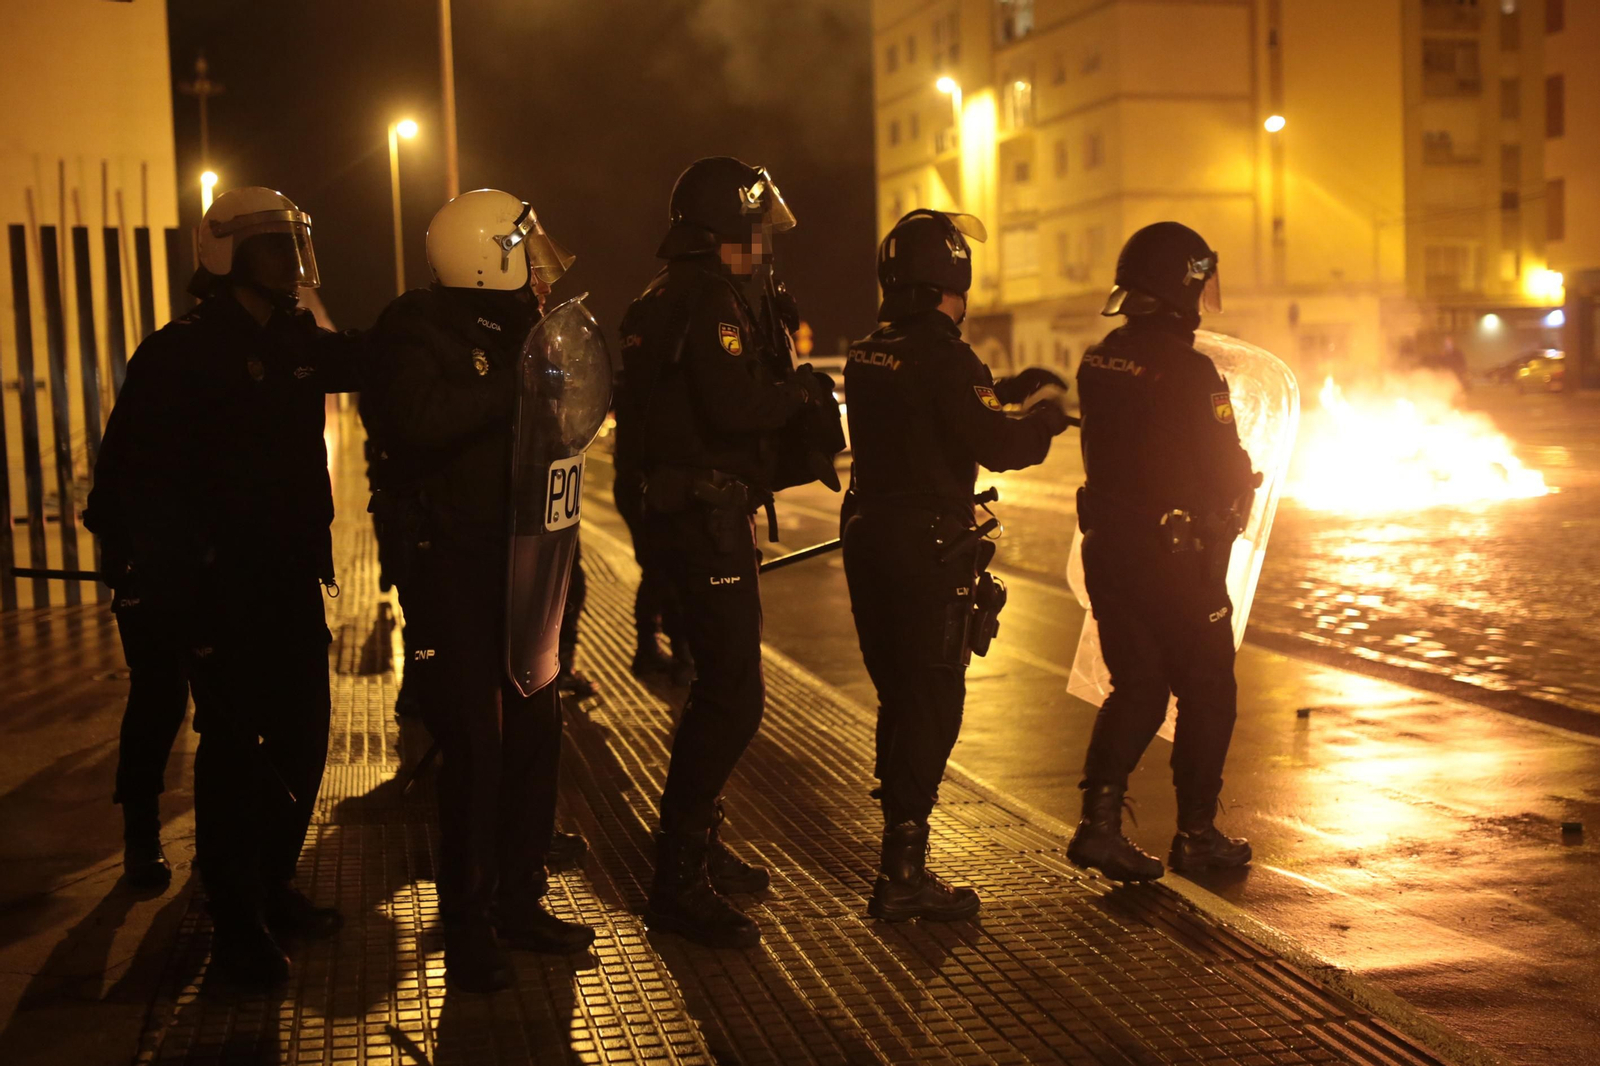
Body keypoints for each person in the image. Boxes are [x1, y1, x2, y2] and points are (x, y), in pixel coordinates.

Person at [85, 187, 359, 985]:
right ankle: (236, 920)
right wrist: (174, 584)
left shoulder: (295, 340)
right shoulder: (181, 352)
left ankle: (271, 883)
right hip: (218, 591)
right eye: (272, 246)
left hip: (288, 581)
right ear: (226, 254)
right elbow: (132, 483)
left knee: (305, 739)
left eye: (293, 244)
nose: (290, 261)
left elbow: (371, 358)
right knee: (235, 750)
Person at [362, 189, 595, 993]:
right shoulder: (414, 326)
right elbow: (416, 421)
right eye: (524, 252)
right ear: (484, 253)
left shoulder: (529, 330)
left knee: (537, 731)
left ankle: (521, 900)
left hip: (526, 557)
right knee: (473, 747)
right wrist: (519, 388)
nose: (538, 269)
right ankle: (467, 927)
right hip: (450, 563)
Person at [620, 156, 842, 948]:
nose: (763, 248)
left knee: (717, 689)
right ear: (721, 233)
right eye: (753, 233)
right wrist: (806, 392)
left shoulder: (668, 296)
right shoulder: (706, 299)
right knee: (734, 698)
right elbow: (735, 404)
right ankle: (677, 877)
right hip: (701, 520)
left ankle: (699, 849)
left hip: (688, 515)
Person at [842, 209, 1074, 922]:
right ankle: (903, 872)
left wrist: (1000, 393)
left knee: (898, 691)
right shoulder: (948, 356)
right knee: (933, 699)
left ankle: (898, 846)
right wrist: (1044, 416)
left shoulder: (869, 352)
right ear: (953, 279)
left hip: (868, 534)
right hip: (926, 549)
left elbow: (937, 413)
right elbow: (997, 445)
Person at [1066, 221, 1260, 882]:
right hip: (1175, 559)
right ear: (1183, 288)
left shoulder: (1100, 358)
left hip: (1108, 548)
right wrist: (1241, 484)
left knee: (1139, 685)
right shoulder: (1192, 371)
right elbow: (1228, 466)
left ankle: (1098, 825)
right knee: (1209, 689)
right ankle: (1197, 835)